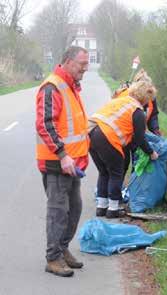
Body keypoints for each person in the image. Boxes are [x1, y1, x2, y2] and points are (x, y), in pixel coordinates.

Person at [36, 46, 90, 277]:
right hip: (57, 163)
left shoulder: (70, 86)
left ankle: (63, 248)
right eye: (82, 64)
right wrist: (62, 154)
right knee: (58, 212)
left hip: (73, 164)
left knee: (75, 209)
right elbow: (45, 124)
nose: (85, 69)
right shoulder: (52, 86)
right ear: (68, 62)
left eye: (87, 64)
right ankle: (53, 258)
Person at [89, 80, 159, 218]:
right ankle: (113, 209)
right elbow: (139, 138)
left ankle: (101, 206)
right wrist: (151, 153)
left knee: (104, 172)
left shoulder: (120, 101)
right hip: (107, 137)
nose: (148, 103)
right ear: (145, 97)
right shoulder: (137, 111)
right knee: (116, 172)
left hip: (91, 134)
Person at [112, 69, 161, 135]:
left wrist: (155, 129)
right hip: (119, 131)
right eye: (143, 88)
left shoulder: (151, 97)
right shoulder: (126, 95)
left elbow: (153, 115)